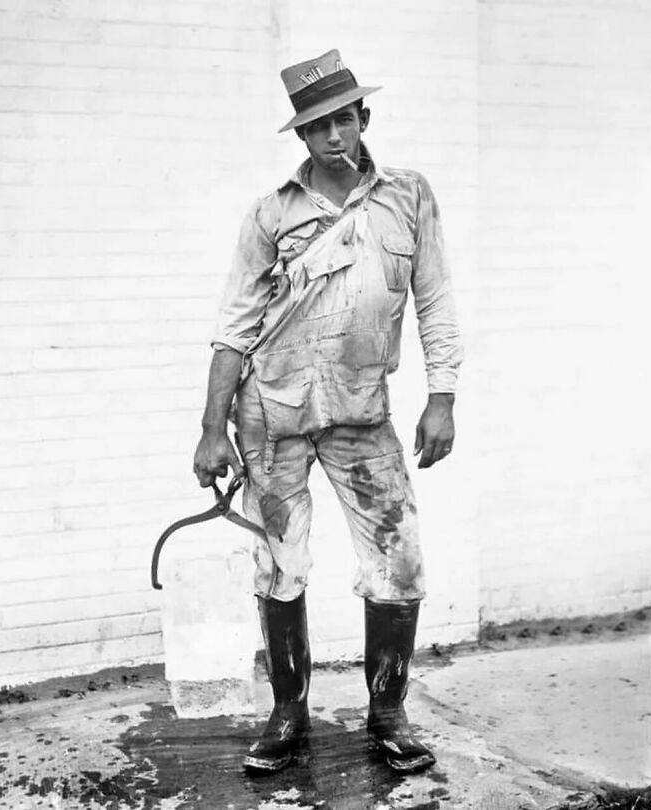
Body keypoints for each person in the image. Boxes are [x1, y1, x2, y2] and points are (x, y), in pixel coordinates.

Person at [193, 49, 463, 775]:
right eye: (317, 126)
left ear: (363, 118)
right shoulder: (271, 214)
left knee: (398, 563)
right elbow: (233, 327)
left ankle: (388, 712)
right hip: (272, 417)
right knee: (278, 566)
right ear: (303, 136)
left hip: (360, 414)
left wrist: (442, 396)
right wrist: (212, 429)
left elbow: (434, 299)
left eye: (343, 119)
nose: (333, 136)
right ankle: (288, 713)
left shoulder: (408, 197)